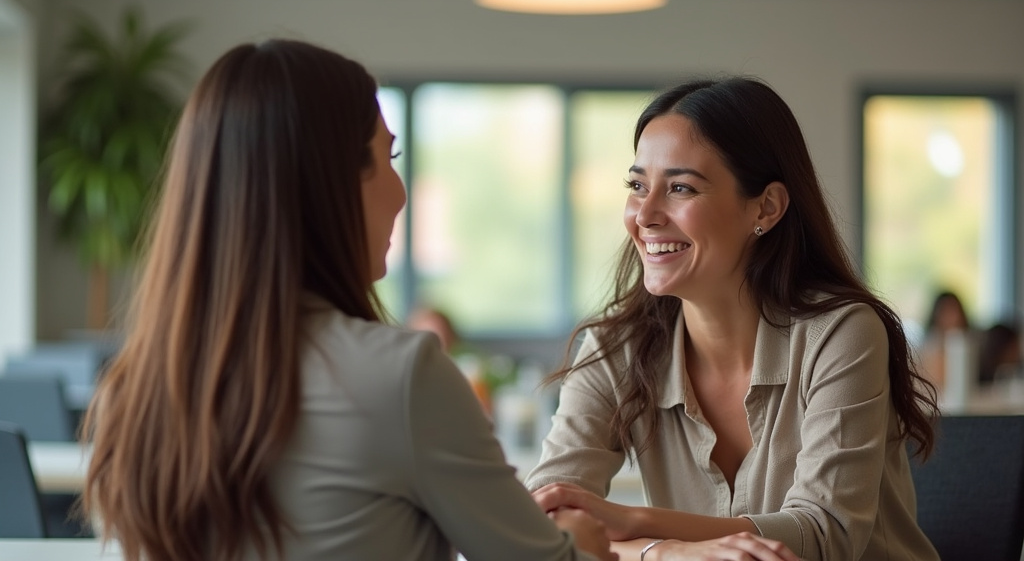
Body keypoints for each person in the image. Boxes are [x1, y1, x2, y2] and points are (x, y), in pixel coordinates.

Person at [80, 39, 616, 561]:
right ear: (327, 183)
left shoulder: (130, 394)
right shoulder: (402, 376)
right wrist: (581, 543)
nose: (401, 193)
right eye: (387, 157)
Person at [524, 77, 940, 561]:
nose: (645, 215)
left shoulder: (843, 334)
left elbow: (826, 536)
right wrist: (662, 553)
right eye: (637, 186)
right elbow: (544, 521)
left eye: (680, 187)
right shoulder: (616, 347)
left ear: (766, 207)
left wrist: (633, 521)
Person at [918, 290, 972, 391]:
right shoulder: (930, 345)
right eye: (946, 312)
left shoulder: (967, 344)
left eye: (954, 311)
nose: (952, 317)